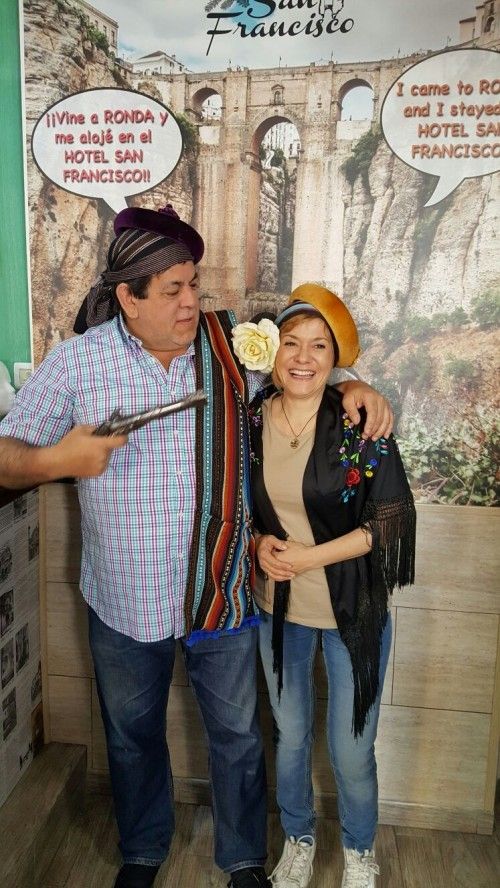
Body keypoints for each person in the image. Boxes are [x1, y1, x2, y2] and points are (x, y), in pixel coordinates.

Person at [0, 209, 393, 888]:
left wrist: (349, 383)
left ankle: (243, 858)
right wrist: (57, 459)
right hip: (123, 599)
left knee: (239, 738)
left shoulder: (233, 348)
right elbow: (7, 455)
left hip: (223, 593)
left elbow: (302, 374)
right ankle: (143, 850)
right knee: (130, 737)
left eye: (194, 285)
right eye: (173, 290)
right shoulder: (77, 363)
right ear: (128, 297)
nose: (191, 303)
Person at [246, 284, 416, 888]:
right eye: (291, 342)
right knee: (290, 738)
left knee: (351, 748)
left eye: (319, 346)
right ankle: (298, 840)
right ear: (271, 350)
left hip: (353, 611)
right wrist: (258, 545)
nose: (303, 357)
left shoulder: (359, 420)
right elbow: (236, 507)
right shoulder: (249, 422)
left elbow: (387, 524)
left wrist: (307, 557)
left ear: (335, 358)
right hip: (279, 611)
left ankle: (359, 852)